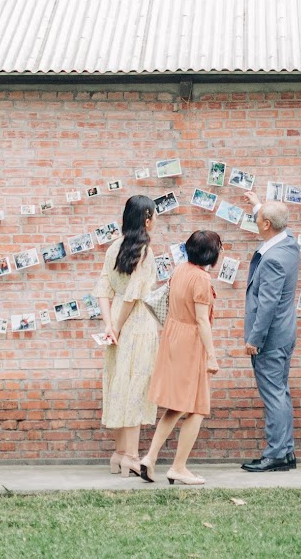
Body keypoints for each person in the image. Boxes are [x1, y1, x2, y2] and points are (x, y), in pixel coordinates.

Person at [140, 229, 222, 486]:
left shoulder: (180, 270)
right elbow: (201, 321)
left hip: (173, 338)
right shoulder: (201, 279)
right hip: (190, 343)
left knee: (176, 406)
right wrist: (211, 355)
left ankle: (150, 457)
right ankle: (178, 467)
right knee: (197, 407)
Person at [96, 194, 162, 475]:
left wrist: (109, 325)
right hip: (138, 326)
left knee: (119, 384)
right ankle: (132, 457)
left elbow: (103, 288)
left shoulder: (114, 247)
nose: (156, 220)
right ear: (147, 218)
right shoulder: (145, 251)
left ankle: (119, 453)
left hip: (117, 324)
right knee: (135, 386)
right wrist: (118, 327)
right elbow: (134, 296)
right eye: (155, 215)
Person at [238, 192, 301, 472]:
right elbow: (274, 219)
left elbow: (267, 304)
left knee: (274, 395)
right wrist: (257, 204)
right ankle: (285, 452)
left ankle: (276, 454)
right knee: (281, 392)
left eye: (258, 218)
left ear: (265, 225)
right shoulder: (289, 243)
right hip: (285, 334)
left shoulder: (274, 258)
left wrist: (254, 339)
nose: (255, 221)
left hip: (271, 338)